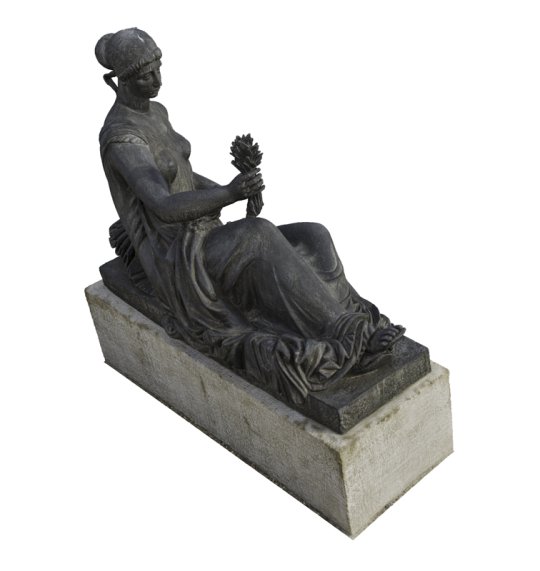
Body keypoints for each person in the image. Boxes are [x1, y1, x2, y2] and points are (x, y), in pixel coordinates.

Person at [96, 28, 404, 404]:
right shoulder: (121, 139)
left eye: (159, 68)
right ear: (119, 80)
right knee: (257, 235)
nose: (157, 80)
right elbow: (162, 204)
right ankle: (349, 337)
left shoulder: (157, 112)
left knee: (314, 234)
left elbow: (183, 177)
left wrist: (235, 188)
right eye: (146, 75)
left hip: (204, 232)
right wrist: (229, 194)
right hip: (177, 258)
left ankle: (340, 314)